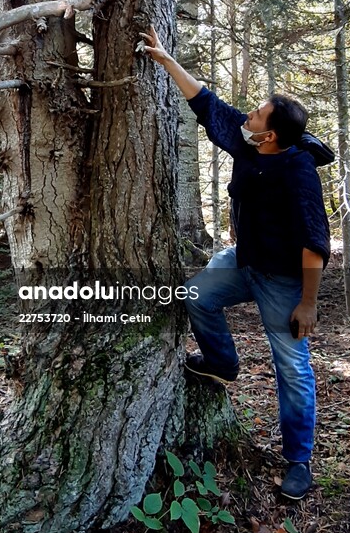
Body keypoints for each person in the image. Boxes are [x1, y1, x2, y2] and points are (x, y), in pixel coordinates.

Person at [141, 25, 332, 501]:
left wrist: (308, 303)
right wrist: (165, 59)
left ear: (270, 134)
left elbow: (314, 241)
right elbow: (208, 104)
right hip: (244, 260)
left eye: (258, 113)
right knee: (195, 295)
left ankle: (299, 462)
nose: (248, 113)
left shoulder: (297, 172)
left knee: (291, 365)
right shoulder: (251, 145)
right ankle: (223, 363)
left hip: (285, 280)